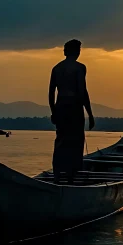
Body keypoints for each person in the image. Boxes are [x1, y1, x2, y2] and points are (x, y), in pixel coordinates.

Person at [48, 39, 95, 183]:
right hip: (74, 106)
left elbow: (51, 94)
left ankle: (57, 174)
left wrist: (54, 111)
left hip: (61, 106)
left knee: (61, 140)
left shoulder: (56, 68)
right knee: (75, 141)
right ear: (76, 52)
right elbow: (82, 91)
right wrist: (90, 114)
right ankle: (70, 176)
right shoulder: (79, 68)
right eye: (79, 50)